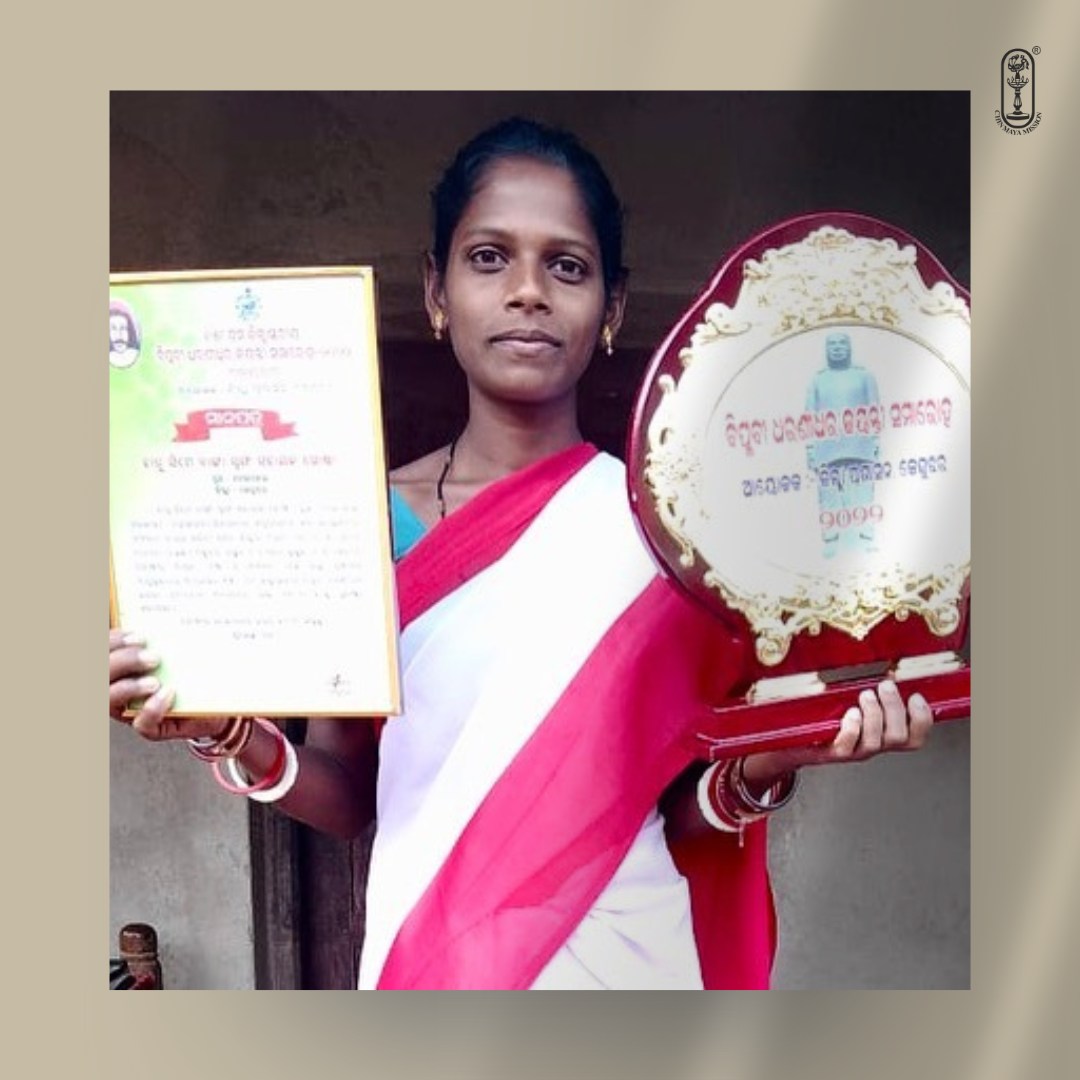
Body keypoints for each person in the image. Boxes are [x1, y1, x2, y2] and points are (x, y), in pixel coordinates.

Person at [109, 117, 934, 990]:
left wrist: (784, 753)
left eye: (567, 266)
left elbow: (687, 814)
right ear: (438, 290)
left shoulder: (674, 535)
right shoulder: (364, 522)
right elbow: (350, 795)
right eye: (489, 258)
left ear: (613, 305)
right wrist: (228, 733)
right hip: (434, 963)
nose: (528, 291)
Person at [804, 331, 881, 558]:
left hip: (860, 446)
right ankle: (830, 539)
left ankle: (866, 538)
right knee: (828, 497)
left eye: (842, 343)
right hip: (826, 449)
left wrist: (875, 440)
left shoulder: (864, 376)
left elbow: (875, 410)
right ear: (826, 349)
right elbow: (809, 416)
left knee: (863, 494)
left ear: (850, 347)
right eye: (832, 344)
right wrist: (810, 448)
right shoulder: (818, 380)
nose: (837, 348)